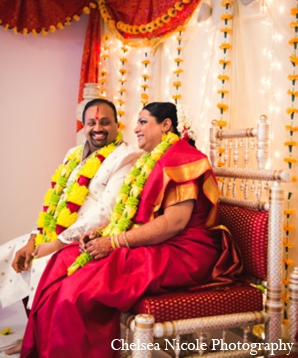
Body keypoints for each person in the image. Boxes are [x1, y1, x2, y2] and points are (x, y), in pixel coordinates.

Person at [20, 102, 242, 358]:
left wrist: (115, 242)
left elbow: (174, 223)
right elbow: (132, 216)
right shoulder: (150, 159)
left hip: (185, 253)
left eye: (143, 122)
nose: (135, 128)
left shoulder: (184, 159)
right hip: (157, 244)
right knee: (62, 260)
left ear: (166, 125)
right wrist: (103, 234)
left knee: (74, 291)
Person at [0, 98, 140, 355]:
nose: (98, 128)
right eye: (91, 123)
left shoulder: (127, 156)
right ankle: (35, 331)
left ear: (117, 125)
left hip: (88, 237)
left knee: (41, 264)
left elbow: (105, 212)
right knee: (12, 251)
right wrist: (33, 238)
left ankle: (44, 340)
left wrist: (56, 243)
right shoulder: (73, 154)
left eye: (105, 122)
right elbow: (53, 204)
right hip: (55, 232)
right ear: (83, 126)